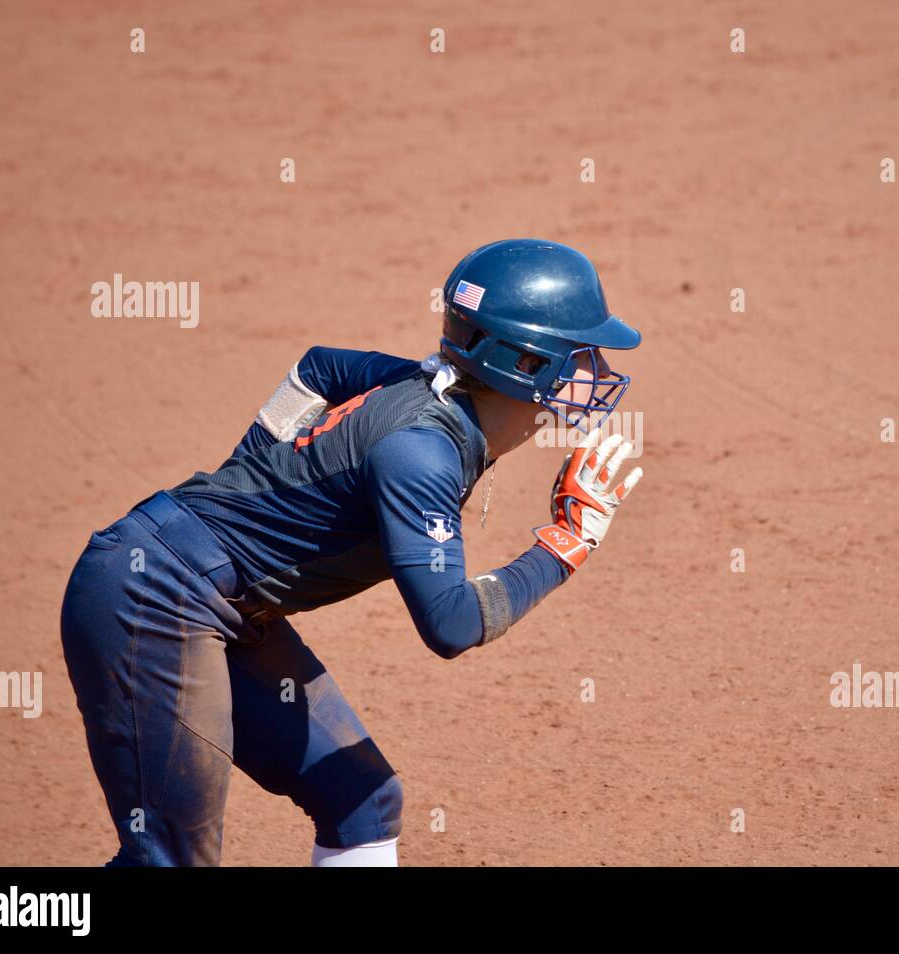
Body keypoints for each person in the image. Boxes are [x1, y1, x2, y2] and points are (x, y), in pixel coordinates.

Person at [59, 239, 643, 866]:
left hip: (223, 606)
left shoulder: (426, 400)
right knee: (170, 861)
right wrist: (565, 543)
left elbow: (319, 367)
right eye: (582, 356)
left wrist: (255, 466)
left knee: (362, 803)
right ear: (526, 362)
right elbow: (449, 623)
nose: (596, 374)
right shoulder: (421, 453)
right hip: (150, 598)